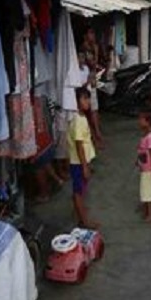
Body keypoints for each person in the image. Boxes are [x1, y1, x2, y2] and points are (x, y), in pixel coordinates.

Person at [68, 86, 99, 229]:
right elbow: (79, 145)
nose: (88, 102)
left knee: (80, 190)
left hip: (81, 161)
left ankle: (81, 214)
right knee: (78, 192)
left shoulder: (80, 117)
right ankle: (84, 221)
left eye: (88, 98)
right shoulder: (78, 121)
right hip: (78, 163)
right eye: (84, 99)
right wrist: (85, 166)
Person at [137, 109, 151, 223]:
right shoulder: (147, 135)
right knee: (145, 191)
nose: (139, 121)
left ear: (148, 121)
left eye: (141, 119)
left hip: (148, 170)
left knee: (147, 193)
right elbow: (143, 151)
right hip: (145, 168)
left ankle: (150, 214)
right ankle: (147, 211)